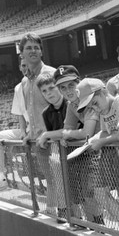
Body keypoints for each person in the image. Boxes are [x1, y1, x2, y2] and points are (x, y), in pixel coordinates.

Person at [76, 78, 119, 232]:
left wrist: (101, 142)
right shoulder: (103, 111)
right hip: (118, 159)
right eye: (91, 107)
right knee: (100, 192)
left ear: (103, 92)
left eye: (95, 103)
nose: (95, 109)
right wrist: (90, 142)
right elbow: (104, 131)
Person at [53, 65, 104, 225]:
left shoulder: (91, 99)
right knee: (86, 191)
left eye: (71, 85)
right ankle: (96, 223)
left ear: (79, 82)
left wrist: (68, 135)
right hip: (95, 148)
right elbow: (67, 129)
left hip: (112, 146)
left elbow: (84, 133)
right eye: (62, 88)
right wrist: (67, 135)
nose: (68, 91)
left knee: (99, 191)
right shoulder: (71, 105)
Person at [34, 73, 68, 221]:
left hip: (80, 153)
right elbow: (54, 138)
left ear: (58, 87)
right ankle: (63, 210)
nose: (49, 93)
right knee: (56, 172)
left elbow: (68, 131)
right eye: (44, 91)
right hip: (61, 153)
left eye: (51, 88)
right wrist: (49, 135)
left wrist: (47, 134)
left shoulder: (70, 104)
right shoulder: (46, 113)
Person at [0, 55, 28, 189]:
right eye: (23, 65)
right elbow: (20, 114)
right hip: (27, 128)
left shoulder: (42, 83)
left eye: (28, 65)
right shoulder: (18, 88)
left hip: (43, 129)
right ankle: (2, 175)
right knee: (1, 136)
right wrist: (22, 130)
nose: (25, 68)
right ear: (19, 67)